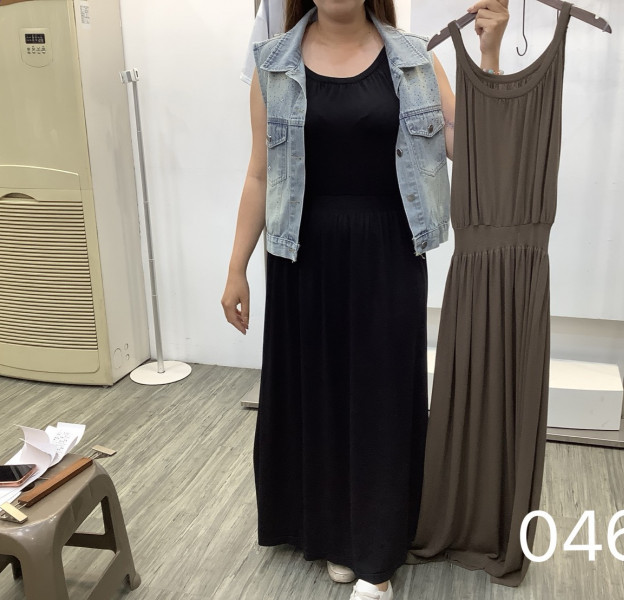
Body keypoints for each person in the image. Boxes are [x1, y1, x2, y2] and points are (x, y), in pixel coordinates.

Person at [221, 1, 508, 598]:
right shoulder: (273, 64)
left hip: (387, 252)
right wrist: (236, 269)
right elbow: (259, 173)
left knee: (381, 396)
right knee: (319, 394)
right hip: (301, 256)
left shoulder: (414, 58)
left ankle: (376, 550)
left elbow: (474, 144)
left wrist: (488, 52)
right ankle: (334, 533)